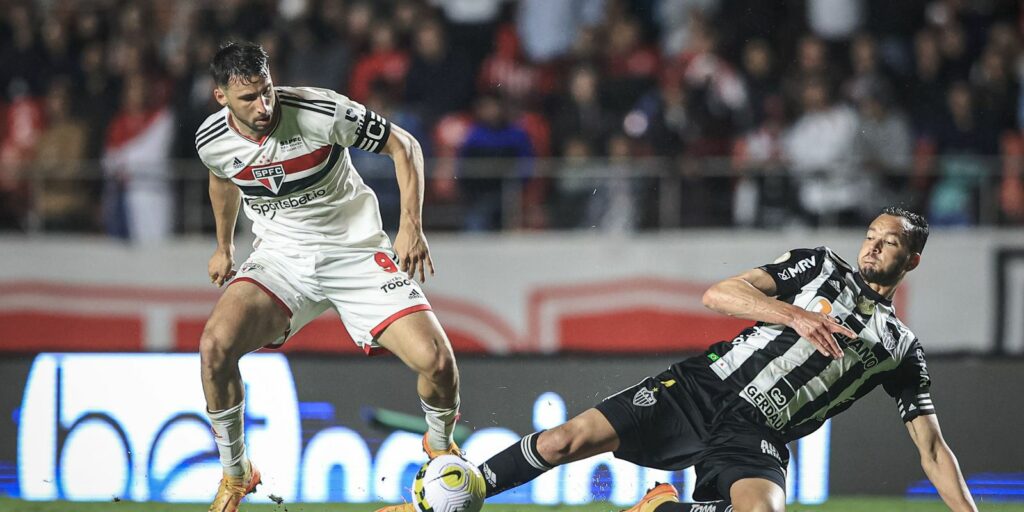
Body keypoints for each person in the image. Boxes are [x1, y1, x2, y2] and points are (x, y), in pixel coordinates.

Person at [380, 207, 979, 512]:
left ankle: (668, 506)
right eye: (871, 234)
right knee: (566, 440)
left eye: (889, 241)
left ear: (912, 259)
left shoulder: (899, 350)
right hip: (703, 386)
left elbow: (931, 448)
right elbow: (720, 294)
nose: (872, 245)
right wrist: (795, 315)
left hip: (758, 430)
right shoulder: (820, 266)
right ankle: (467, 489)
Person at [194, 42, 461, 512]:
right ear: (220, 98)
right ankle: (237, 475)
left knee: (438, 362)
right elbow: (222, 177)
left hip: (354, 252)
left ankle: (439, 453)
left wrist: (411, 226)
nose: (263, 106)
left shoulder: (320, 111)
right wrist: (223, 246)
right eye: (248, 99)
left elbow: (405, 145)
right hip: (282, 259)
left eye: (267, 91)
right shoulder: (211, 139)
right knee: (215, 347)